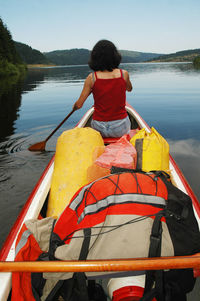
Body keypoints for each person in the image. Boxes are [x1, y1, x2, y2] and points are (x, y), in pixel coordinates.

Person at [73, 40, 133, 137]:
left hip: (99, 127)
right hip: (120, 127)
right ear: (115, 56)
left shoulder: (91, 78)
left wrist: (74, 107)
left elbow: (79, 105)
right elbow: (129, 89)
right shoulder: (124, 74)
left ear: (95, 58)